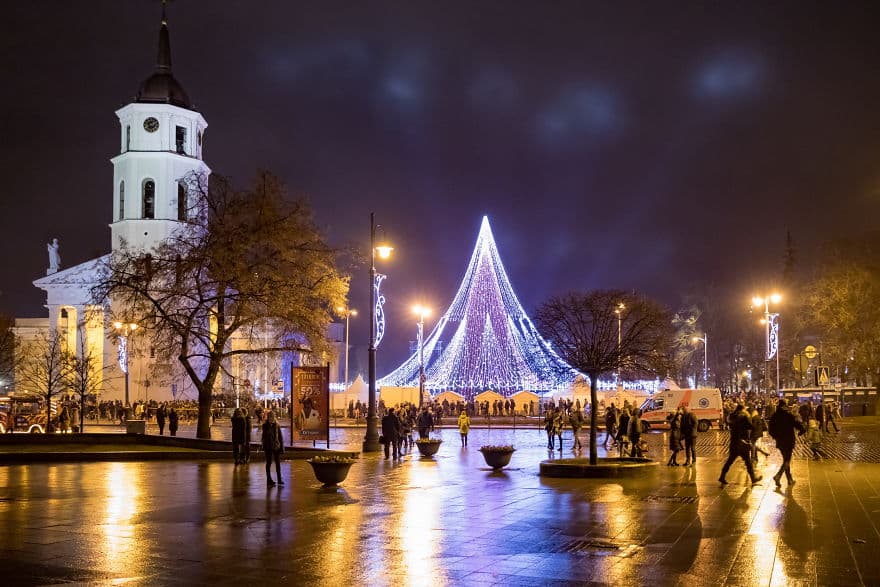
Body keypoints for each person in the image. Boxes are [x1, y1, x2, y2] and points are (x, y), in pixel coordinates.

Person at [719, 404, 761, 485]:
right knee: (748, 462)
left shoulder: (731, 416)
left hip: (734, 442)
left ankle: (722, 476)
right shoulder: (744, 417)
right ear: (743, 409)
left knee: (729, 461)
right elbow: (751, 426)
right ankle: (753, 478)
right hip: (743, 443)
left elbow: (730, 424)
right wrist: (754, 418)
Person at [768, 398, 805, 487]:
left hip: (780, 441)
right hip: (788, 441)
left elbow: (770, 429)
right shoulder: (788, 415)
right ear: (784, 406)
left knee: (786, 459)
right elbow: (798, 425)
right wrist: (802, 431)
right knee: (787, 460)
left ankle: (789, 479)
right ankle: (778, 475)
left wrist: (775, 437)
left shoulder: (774, 416)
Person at [261, 411, 284, 486]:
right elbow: (264, 437)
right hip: (268, 447)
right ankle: (269, 480)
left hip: (276, 446)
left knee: (277, 463)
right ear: (268, 417)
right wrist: (264, 446)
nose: (272, 418)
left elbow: (280, 437)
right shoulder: (265, 425)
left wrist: (282, 448)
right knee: (269, 463)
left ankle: (279, 479)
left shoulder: (277, 425)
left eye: (273, 416)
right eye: (270, 416)